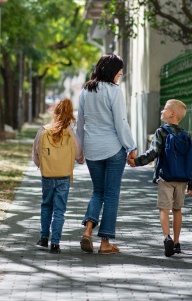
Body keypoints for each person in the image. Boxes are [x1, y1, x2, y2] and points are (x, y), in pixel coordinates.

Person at [76, 53, 137, 254]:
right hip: (113, 150)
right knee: (111, 195)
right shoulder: (114, 91)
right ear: (111, 70)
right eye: (119, 69)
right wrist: (131, 147)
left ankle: (88, 231)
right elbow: (121, 122)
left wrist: (80, 149)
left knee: (97, 191)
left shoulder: (86, 90)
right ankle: (105, 243)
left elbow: (81, 124)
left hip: (92, 149)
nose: (121, 72)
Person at [127, 99, 192, 257]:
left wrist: (136, 162)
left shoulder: (161, 132)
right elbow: (191, 160)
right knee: (177, 210)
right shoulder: (186, 135)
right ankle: (177, 243)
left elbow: (153, 153)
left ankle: (167, 238)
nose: (161, 111)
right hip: (182, 179)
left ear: (172, 114)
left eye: (164, 109)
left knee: (164, 209)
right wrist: (191, 183)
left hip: (166, 177)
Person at [33, 98, 85, 254]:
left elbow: (36, 153)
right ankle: (55, 243)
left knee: (46, 205)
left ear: (54, 112)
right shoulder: (70, 133)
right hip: (64, 176)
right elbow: (79, 157)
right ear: (70, 116)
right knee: (60, 210)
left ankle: (43, 238)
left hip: (47, 175)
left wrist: (42, 166)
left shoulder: (43, 130)